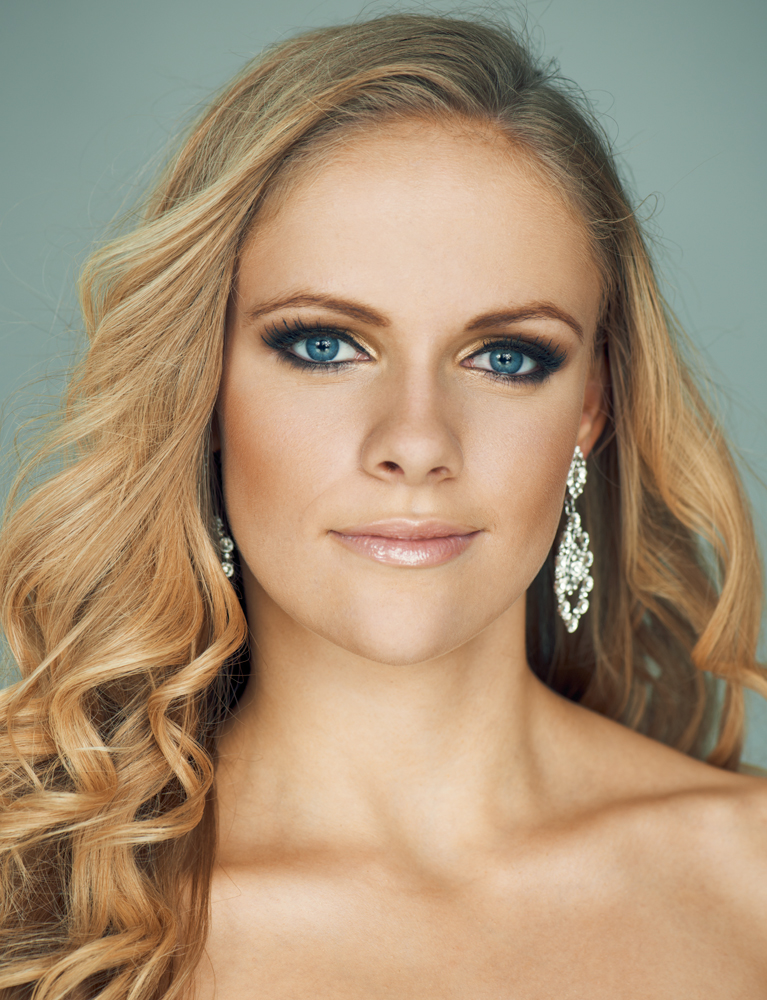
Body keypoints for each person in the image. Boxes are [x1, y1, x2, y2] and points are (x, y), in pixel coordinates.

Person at [1, 12, 766, 999]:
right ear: (203, 387)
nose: (415, 441)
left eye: (505, 357)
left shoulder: (748, 876)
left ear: (590, 404)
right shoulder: (35, 915)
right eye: (323, 345)